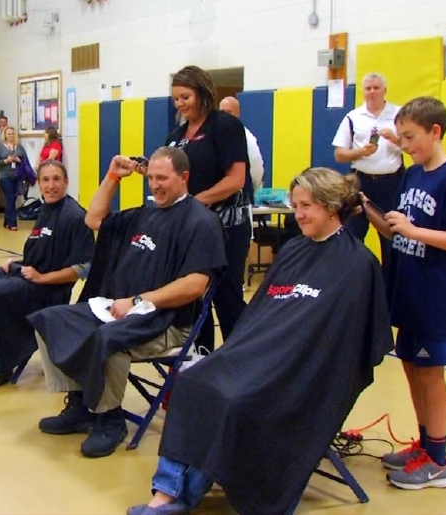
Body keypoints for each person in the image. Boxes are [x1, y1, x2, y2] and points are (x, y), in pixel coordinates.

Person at [127, 167, 393, 515]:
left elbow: (348, 344)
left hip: (298, 373)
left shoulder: (358, 264)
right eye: (295, 205)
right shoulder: (293, 249)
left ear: (331, 207)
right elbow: (258, 318)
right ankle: (166, 492)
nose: (298, 215)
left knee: (233, 401)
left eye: (306, 206)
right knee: (193, 381)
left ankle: (181, 497)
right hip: (257, 356)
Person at [27, 147, 226, 458]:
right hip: (118, 308)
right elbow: (94, 219)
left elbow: (195, 285)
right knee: (49, 320)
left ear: (184, 177)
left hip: (168, 322)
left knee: (108, 339)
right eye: (151, 178)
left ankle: (110, 419)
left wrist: (137, 301)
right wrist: (112, 177)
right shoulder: (144, 213)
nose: (155, 185)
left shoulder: (201, 222)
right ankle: (80, 405)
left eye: (163, 178)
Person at [364, 97, 446, 490]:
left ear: (435, 132)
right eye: (401, 137)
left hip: (437, 294)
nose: (404, 144)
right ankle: (425, 444)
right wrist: (366, 208)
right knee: (412, 368)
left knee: (431, 375)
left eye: (410, 137)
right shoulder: (413, 174)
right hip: (409, 289)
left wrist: (415, 232)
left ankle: (440, 460)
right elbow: (398, 230)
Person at [0, 160, 94, 388]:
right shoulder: (45, 210)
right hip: (25, 276)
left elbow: (82, 268)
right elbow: (42, 253)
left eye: (56, 179)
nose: (51, 186)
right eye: (45, 180)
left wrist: (42, 278)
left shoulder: (75, 216)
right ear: (39, 183)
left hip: (47, 290)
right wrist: (18, 263)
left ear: (66, 182)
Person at [165, 65, 249, 351]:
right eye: (176, 99)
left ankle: (240, 357)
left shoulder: (225, 126)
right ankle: (202, 357)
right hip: (191, 228)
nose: (180, 104)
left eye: (185, 97)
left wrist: (195, 202)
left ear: (202, 93)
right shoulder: (176, 135)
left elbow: (236, 180)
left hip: (226, 226)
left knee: (226, 296)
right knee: (193, 296)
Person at [332, 73, 403, 264]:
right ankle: (355, 278)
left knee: (392, 238)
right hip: (360, 182)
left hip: (391, 183)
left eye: (376, 88)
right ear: (363, 91)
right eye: (368, 88)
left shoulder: (399, 114)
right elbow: (339, 154)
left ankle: (390, 281)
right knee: (353, 235)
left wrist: (394, 139)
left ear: (385, 91)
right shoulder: (353, 117)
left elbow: (411, 147)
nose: (372, 92)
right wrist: (360, 152)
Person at [218, 96, 265, 195]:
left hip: (241, 194)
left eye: (229, 112)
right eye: (222, 112)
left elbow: (256, 170)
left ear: (238, 113)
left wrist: (252, 189)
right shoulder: (215, 135)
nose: (225, 116)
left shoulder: (247, 138)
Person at [0, 126, 27, 231]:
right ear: (5, 135)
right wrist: (6, 161)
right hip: (4, 176)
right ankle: (12, 223)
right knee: (10, 197)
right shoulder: (0, 147)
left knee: (12, 199)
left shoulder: (19, 147)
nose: (11, 135)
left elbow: (25, 160)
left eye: (12, 134)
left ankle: (6, 221)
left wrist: (18, 160)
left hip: (16, 176)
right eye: (9, 134)